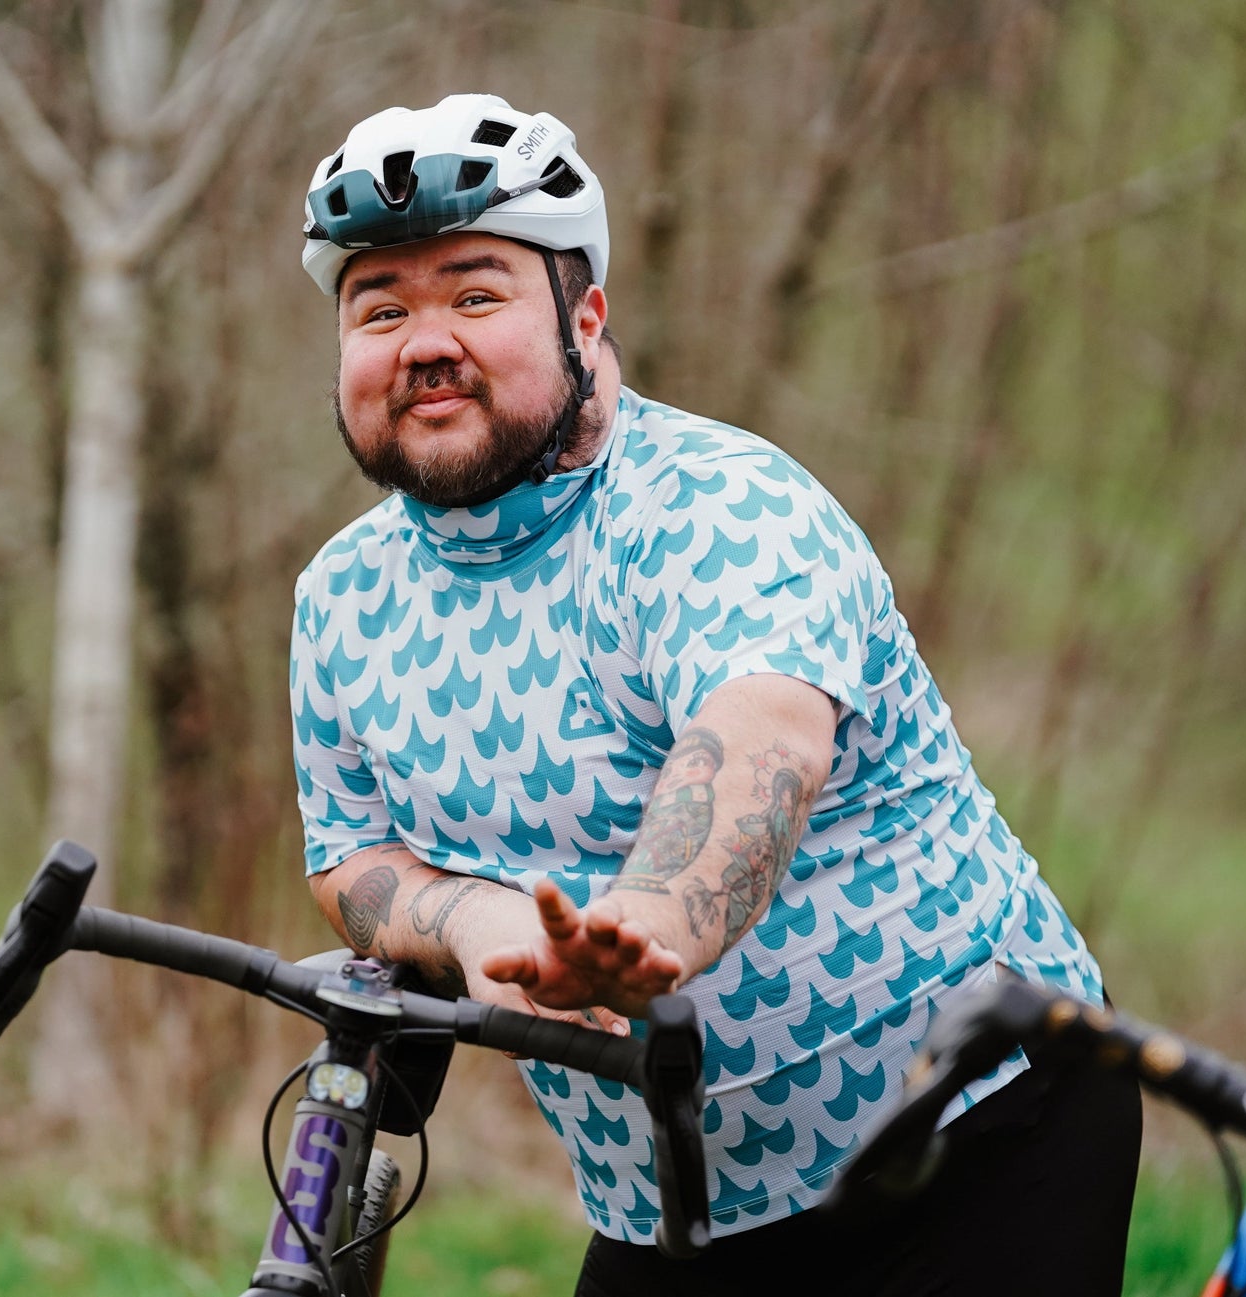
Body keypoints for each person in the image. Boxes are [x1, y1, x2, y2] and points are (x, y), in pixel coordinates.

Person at [288, 93, 1140, 1295]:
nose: (426, 341)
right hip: (671, 1196)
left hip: (978, 1126)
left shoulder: (718, 505)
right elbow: (349, 853)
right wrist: (469, 922)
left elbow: (759, 741)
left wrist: (644, 929)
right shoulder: (339, 598)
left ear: (584, 318)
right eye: (381, 310)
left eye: (474, 296)